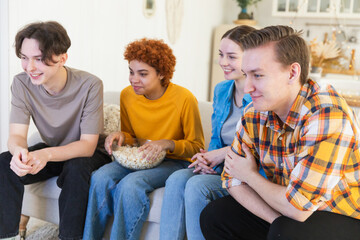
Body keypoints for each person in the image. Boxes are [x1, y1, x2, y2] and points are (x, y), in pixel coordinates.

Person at [200, 25, 360, 240]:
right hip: (287, 208)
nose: (247, 88)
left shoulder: (327, 114)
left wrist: (249, 175)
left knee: (287, 230)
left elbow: (298, 208)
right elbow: (231, 180)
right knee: (216, 215)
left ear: (292, 73)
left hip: (343, 215)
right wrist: (274, 218)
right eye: (247, 75)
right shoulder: (254, 113)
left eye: (258, 75)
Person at [83, 38, 204, 240]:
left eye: (143, 74)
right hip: (140, 157)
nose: (133, 79)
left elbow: (196, 147)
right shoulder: (127, 95)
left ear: (162, 73)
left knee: (130, 185)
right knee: (100, 177)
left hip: (174, 162)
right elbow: (133, 138)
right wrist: (121, 136)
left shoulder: (184, 99)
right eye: (131, 71)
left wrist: (166, 143)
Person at [0, 21, 111, 240]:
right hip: (55, 148)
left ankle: (69, 237)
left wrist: (46, 154)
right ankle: (6, 236)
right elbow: (16, 136)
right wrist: (19, 153)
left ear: (62, 58)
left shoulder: (90, 84)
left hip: (90, 152)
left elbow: (87, 146)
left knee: (77, 166)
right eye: (24, 57)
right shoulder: (22, 84)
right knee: (5, 163)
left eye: (39, 59)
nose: (29, 67)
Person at [159, 25, 266, 240]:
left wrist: (218, 156)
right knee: (176, 179)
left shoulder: (260, 96)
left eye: (231, 56)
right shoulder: (222, 89)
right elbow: (216, 138)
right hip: (220, 167)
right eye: (221, 55)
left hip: (245, 173)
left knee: (197, 186)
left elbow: (256, 147)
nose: (223, 62)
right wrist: (207, 160)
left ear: (250, 58)